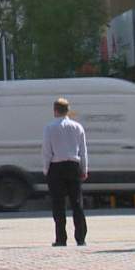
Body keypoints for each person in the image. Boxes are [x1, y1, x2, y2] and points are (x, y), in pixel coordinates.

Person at [42, 97, 89, 246]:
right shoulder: (77, 127)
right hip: (73, 166)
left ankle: (61, 238)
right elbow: (83, 151)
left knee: (58, 203)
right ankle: (80, 238)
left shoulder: (49, 128)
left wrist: (46, 168)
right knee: (77, 203)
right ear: (68, 110)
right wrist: (84, 169)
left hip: (56, 167)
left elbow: (46, 151)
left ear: (55, 110)